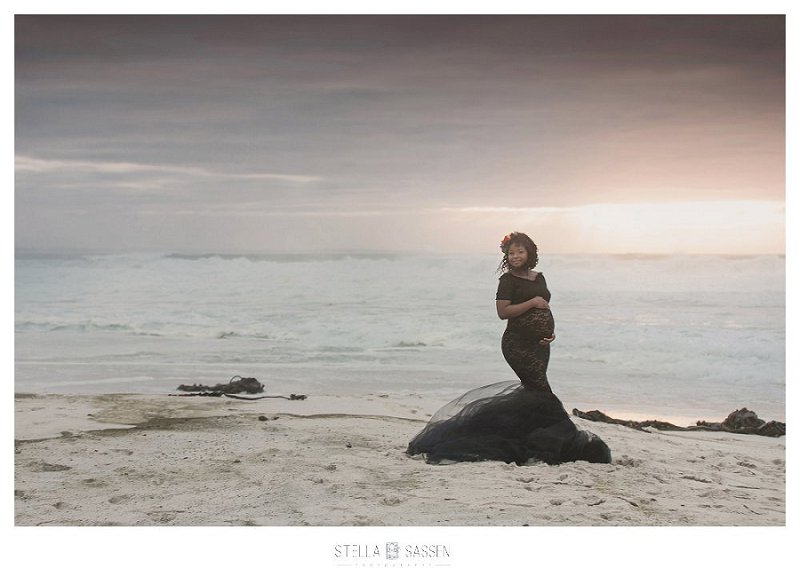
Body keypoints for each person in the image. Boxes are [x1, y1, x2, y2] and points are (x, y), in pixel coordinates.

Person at [406, 232, 611, 465]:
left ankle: (528, 438)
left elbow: (543, 308)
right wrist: (532, 303)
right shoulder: (507, 280)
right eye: (511, 253)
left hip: (540, 347)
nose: (514, 256)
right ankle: (562, 443)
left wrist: (547, 333)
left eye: (519, 252)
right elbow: (503, 312)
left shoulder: (539, 278)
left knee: (535, 394)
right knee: (543, 393)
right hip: (517, 345)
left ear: (530, 253)